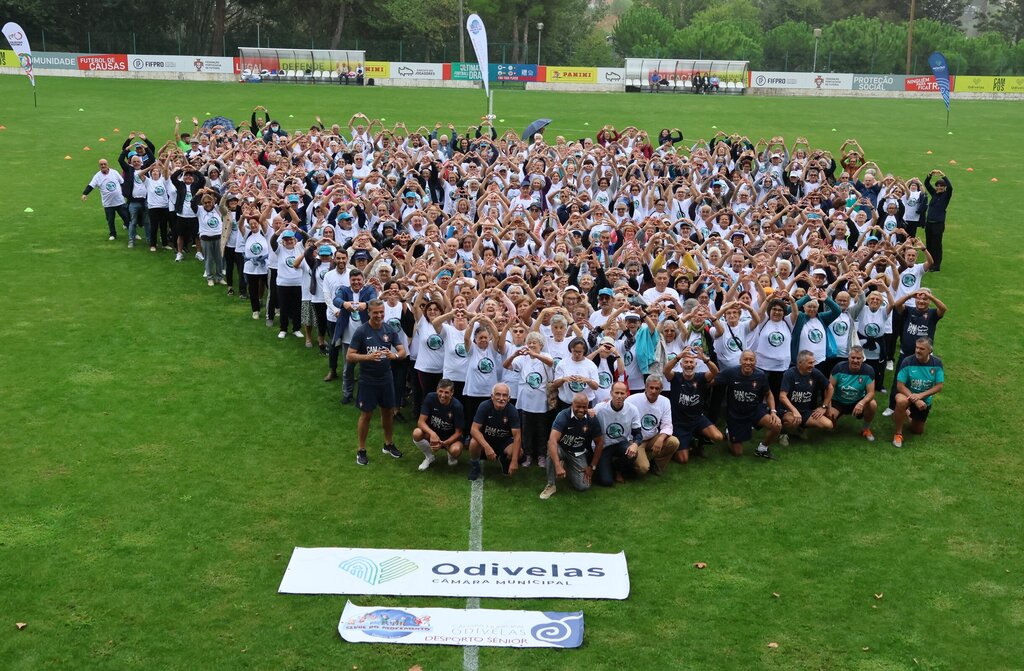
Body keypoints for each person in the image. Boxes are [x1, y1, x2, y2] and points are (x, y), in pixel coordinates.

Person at [347, 300, 407, 466]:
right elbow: (349, 356)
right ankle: (361, 449)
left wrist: (394, 355)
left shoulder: (389, 329)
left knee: (388, 412)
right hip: (368, 380)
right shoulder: (361, 331)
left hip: (386, 379)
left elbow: (402, 351)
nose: (379, 315)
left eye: (381, 312)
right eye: (375, 312)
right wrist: (368, 357)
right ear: (369, 313)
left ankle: (388, 444)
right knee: (366, 415)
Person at [713, 350, 782, 459]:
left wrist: (773, 411)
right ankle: (728, 431)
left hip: (754, 411)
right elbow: (712, 381)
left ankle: (762, 449)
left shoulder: (760, 375)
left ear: (755, 362)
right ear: (740, 361)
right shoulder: (730, 372)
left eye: (751, 360)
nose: (748, 362)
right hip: (736, 415)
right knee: (737, 452)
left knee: (777, 425)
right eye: (745, 359)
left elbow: (768, 394)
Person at [540, 393, 605, 500]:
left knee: (583, 486)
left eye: (584, 407)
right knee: (552, 449)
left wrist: (592, 467)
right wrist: (557, 466)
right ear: (572, 404)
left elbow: (600, 443)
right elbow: (552, 441)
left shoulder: (591, 418)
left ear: (588, 406)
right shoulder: (563, 416)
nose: (581, 410)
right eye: (578, 406)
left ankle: (567, 466)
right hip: (561, 449)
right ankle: (551, 485)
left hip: (578, 453)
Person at [663, 349, 723, 462]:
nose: (689, 365)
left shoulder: (700, 377)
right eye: (686, 362)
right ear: (681, 365)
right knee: (683, 459)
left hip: (697, 418)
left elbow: (715, 372)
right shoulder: (676, 377)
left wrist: (705, 359)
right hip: (680, 422)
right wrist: (678, 357)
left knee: (718, 436)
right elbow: (665, 370)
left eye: (691, 362)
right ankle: (682, 444)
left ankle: (698, 441)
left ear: (695, 365)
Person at [892, 338, 944, 449]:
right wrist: (916, 399)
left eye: (922, 349)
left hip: (923, 399)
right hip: (905, 394)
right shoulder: (907, 361)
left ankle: (907, 413)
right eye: (917, 347)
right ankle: (898, 434)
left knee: (917, 431)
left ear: (930, 351)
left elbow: (939, 386)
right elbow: (900, 386)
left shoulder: (937, 363)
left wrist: (920, 396)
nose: (918, 351)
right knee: (901, 401)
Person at [624, 374, 680, 474]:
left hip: (652, 437)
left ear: (661, 389)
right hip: (636, 440)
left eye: (657, 388)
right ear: (646, 387)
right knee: (642, 469)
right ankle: (637, 463)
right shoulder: (632, 400)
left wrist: (661, 439)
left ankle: (657, 464)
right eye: (651, 387)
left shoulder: (665, 401)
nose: (653, 391)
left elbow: (667, 424)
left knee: (674, 442)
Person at [467, 383, 522, 481]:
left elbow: (517, 436)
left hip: (504, 442)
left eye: (505, 395)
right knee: (473, 442)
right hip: (486, 440)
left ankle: (505, 461)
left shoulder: (512, 411)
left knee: (519, 452)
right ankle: (475, 466)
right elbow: (474, 429)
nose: (501, 398)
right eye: (498, 394)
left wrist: (514, 461)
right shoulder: (484, 406)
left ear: (509, 398)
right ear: (492, 396)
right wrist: (487, 447)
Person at [778, 350, 834, 444]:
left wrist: (824, 406)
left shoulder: (815, 373)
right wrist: (794, 411)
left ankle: (801, 428)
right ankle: (783, 433)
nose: (813, 365)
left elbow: (830, 388)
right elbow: (782, 396)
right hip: (788, 411)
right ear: (800, 363)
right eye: (810, 363)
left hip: (805, 411)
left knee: (828, 424)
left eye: (813, 362)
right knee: (792, 420)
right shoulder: (790, 374)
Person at [593, 382, 643, 486]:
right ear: (611, 393)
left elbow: (638, 433)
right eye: (616, 393)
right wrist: (588, 412)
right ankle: (606, 466)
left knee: (632, 453)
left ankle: (618, 468)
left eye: (622, 393)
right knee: (606, 481)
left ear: (626, 394)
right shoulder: (599, 408)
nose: (619, 396)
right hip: (604, 446)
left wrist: (635, 444)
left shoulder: (632, 409)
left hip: (621, 444)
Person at [823, 346, 877, 441]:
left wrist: (861, 403)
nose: (855, 361)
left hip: (857, 401)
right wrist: (828, 407)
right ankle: (834, 420)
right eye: (853, 357)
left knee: (872, 404)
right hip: (838, 401)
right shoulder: (839, 368)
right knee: (827, 425)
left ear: (863, 359)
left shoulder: (869, 370)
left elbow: (871, 393)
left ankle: (866, 428)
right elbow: (828, 389)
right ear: (848, 358)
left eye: (858, 358)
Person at [413, 378, 465, 470]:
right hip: (432, 434)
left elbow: (459, 432)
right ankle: (429, 457)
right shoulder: (430, 397)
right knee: (417, 433)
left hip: (450, 437)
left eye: (446, 392)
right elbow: (421, 422)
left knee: (456, 450)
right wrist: (433, 434)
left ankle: (451, 455)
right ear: (437, 390)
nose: (443, 395)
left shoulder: (457, 406)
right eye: (440, 391)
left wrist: (443, 443)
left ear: (452, 393)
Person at [81, 158, 129, 241]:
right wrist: (85, 194)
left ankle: (133, 233)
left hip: (120, 201)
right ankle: (113, 234)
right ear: (99, 166)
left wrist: (127, 193)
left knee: (126, 218)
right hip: (108, 203)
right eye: (101, 164)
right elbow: (91, 186)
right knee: (110, 220)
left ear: (107, 164)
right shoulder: (97, 176)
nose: (103, 166)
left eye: (104, 164)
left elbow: (122, 183)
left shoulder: (114, 172)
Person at [923, 170, 952, 272]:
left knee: (936, 245)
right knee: (929, 244)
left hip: (938, 224)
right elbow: (926, 183)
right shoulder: (934, 194)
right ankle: (930, 263)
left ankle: (936, 265)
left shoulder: (946, 195)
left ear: (944, 187)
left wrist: (943, 175)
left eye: (941, 186)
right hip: (929, 223)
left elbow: (950, 187)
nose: (939, 188)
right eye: (937, 186)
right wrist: (930, 175)